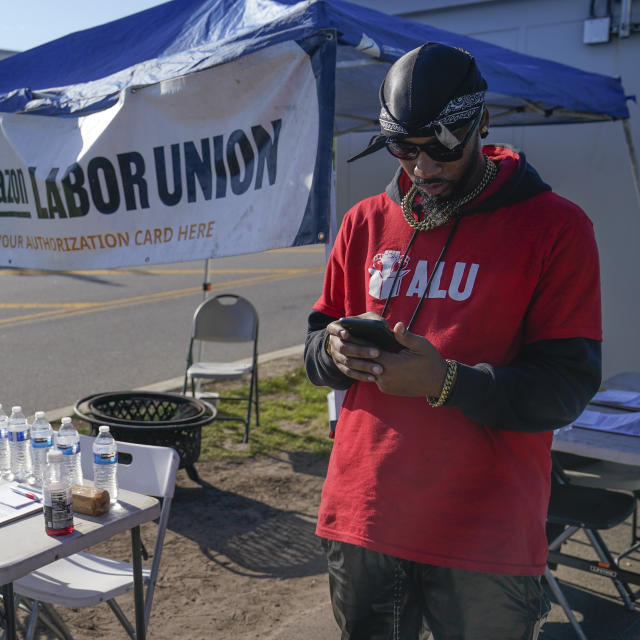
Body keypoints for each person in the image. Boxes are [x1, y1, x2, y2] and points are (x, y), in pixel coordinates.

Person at [304, 42, 602, 639]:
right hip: (366, 515)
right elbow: (316, 343)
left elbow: (565, 388)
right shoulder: (364, 221)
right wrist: (333, 353)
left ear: (482, 124)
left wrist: (446, 383)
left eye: (441, 149)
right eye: (403, 150)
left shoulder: (555, 227)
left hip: (483, 533)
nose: (422, 169)